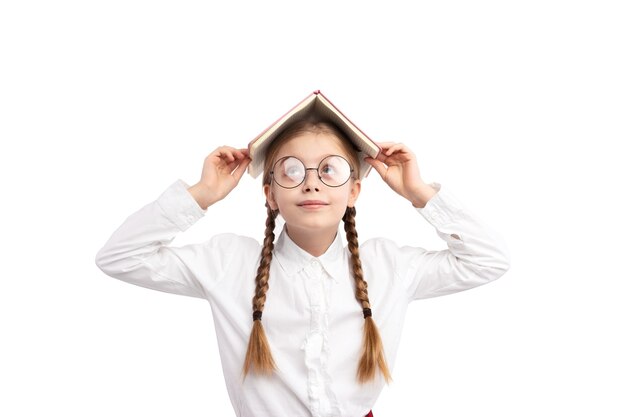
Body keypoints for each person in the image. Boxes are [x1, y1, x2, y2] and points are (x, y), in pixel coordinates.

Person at [95, 101, 510, 417]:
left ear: (354, 191)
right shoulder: (228, 262)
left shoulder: (390, 266)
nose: (311, 184)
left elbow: (488, 260)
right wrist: (201, 194)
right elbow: (119, 257)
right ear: (270, 194)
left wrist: (418, 192)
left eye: (329, 170)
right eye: (292, 171)